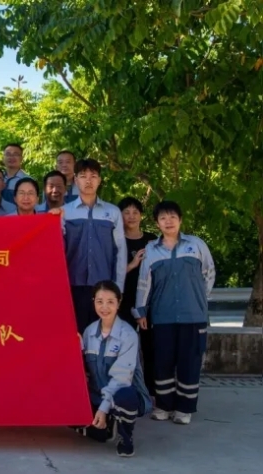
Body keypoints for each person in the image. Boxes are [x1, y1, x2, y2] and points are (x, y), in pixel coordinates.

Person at [134, 201, 215, 425]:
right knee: (163, 361)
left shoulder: (196, 245)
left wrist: (199, 299)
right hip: (163, 315)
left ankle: (184, 409)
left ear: (180, 220)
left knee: (190, 362)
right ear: (157, 223)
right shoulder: (152, 249)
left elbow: (209, 273)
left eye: (172, 217)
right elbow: (144, 283)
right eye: (163, 218)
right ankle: (163, 406)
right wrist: (140, 310)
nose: (168, 221)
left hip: (193, 316)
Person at [76, 280, 152, 457]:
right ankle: (105, 427)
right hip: (97, 395)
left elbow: (122, 378)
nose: (104, 307)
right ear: (93, 302)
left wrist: (103, 409)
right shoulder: (88, 332)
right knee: (97, 433)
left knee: (124, 395)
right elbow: (83, 370)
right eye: (99, 301)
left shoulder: (128, 334)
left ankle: (125, 437)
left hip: (122, 394)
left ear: (119, 302)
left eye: (110, 301)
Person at [62, 158, 127, 334]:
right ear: (76, 180)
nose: (88, 181)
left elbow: (120, 252)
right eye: (83, 176)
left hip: (105, 286)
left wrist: (118, 288)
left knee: (102, 334)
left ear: (100, 180)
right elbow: (57, 251)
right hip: (73, 286)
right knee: (76, 334)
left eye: (93, 176)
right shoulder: (65, 212)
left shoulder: (112, 212)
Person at [117, 197, 158, 395]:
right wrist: (132, 264)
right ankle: (126, 390)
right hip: (124, 300)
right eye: (126, 212)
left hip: (149, 301)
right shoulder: (116, 240)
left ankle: (151, 391)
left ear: (141, 215)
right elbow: (112, 273)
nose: (131, 216)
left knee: (150, 347)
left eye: (135, 212)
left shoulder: (152, 240)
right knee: (124, 346)